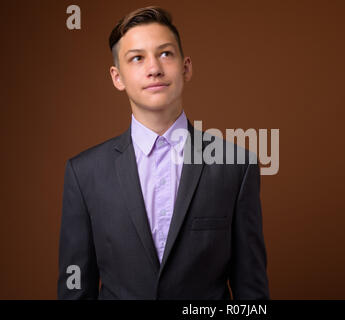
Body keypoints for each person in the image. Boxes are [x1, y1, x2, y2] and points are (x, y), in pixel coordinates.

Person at [57, 6, 269, 300]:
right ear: (117, 77)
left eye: (166, 54)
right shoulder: (84, 174)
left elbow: (252, 291)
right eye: (137, 58)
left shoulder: (235, 166)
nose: (154, 68)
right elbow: (75, 289)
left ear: (186, 67)